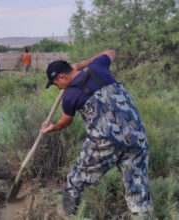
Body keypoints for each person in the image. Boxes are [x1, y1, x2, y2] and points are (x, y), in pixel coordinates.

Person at [41, 50, 154, 219]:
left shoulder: (70, 95)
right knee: (137, 185)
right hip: (136, 135)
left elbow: (65, 122)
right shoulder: (99, 66)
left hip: (105, 141)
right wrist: (83, 64)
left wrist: (52, 127)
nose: (57, 87)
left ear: (62, 78)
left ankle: (65, 213)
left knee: (77, 178)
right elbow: (111, 52)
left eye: (55, 83)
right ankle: (143, 215)